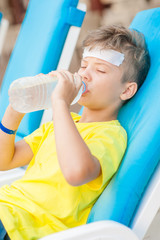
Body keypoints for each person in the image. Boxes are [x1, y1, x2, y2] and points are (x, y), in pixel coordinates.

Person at [0, 25, 150, 240]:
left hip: (21, 225)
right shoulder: (59, 125)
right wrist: (14, 112)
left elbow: (76, 173)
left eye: (100, 70)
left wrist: (60, 103)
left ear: (126, 90)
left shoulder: (110, 136)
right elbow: (5, 161)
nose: (85, 75)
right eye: (83, 66)